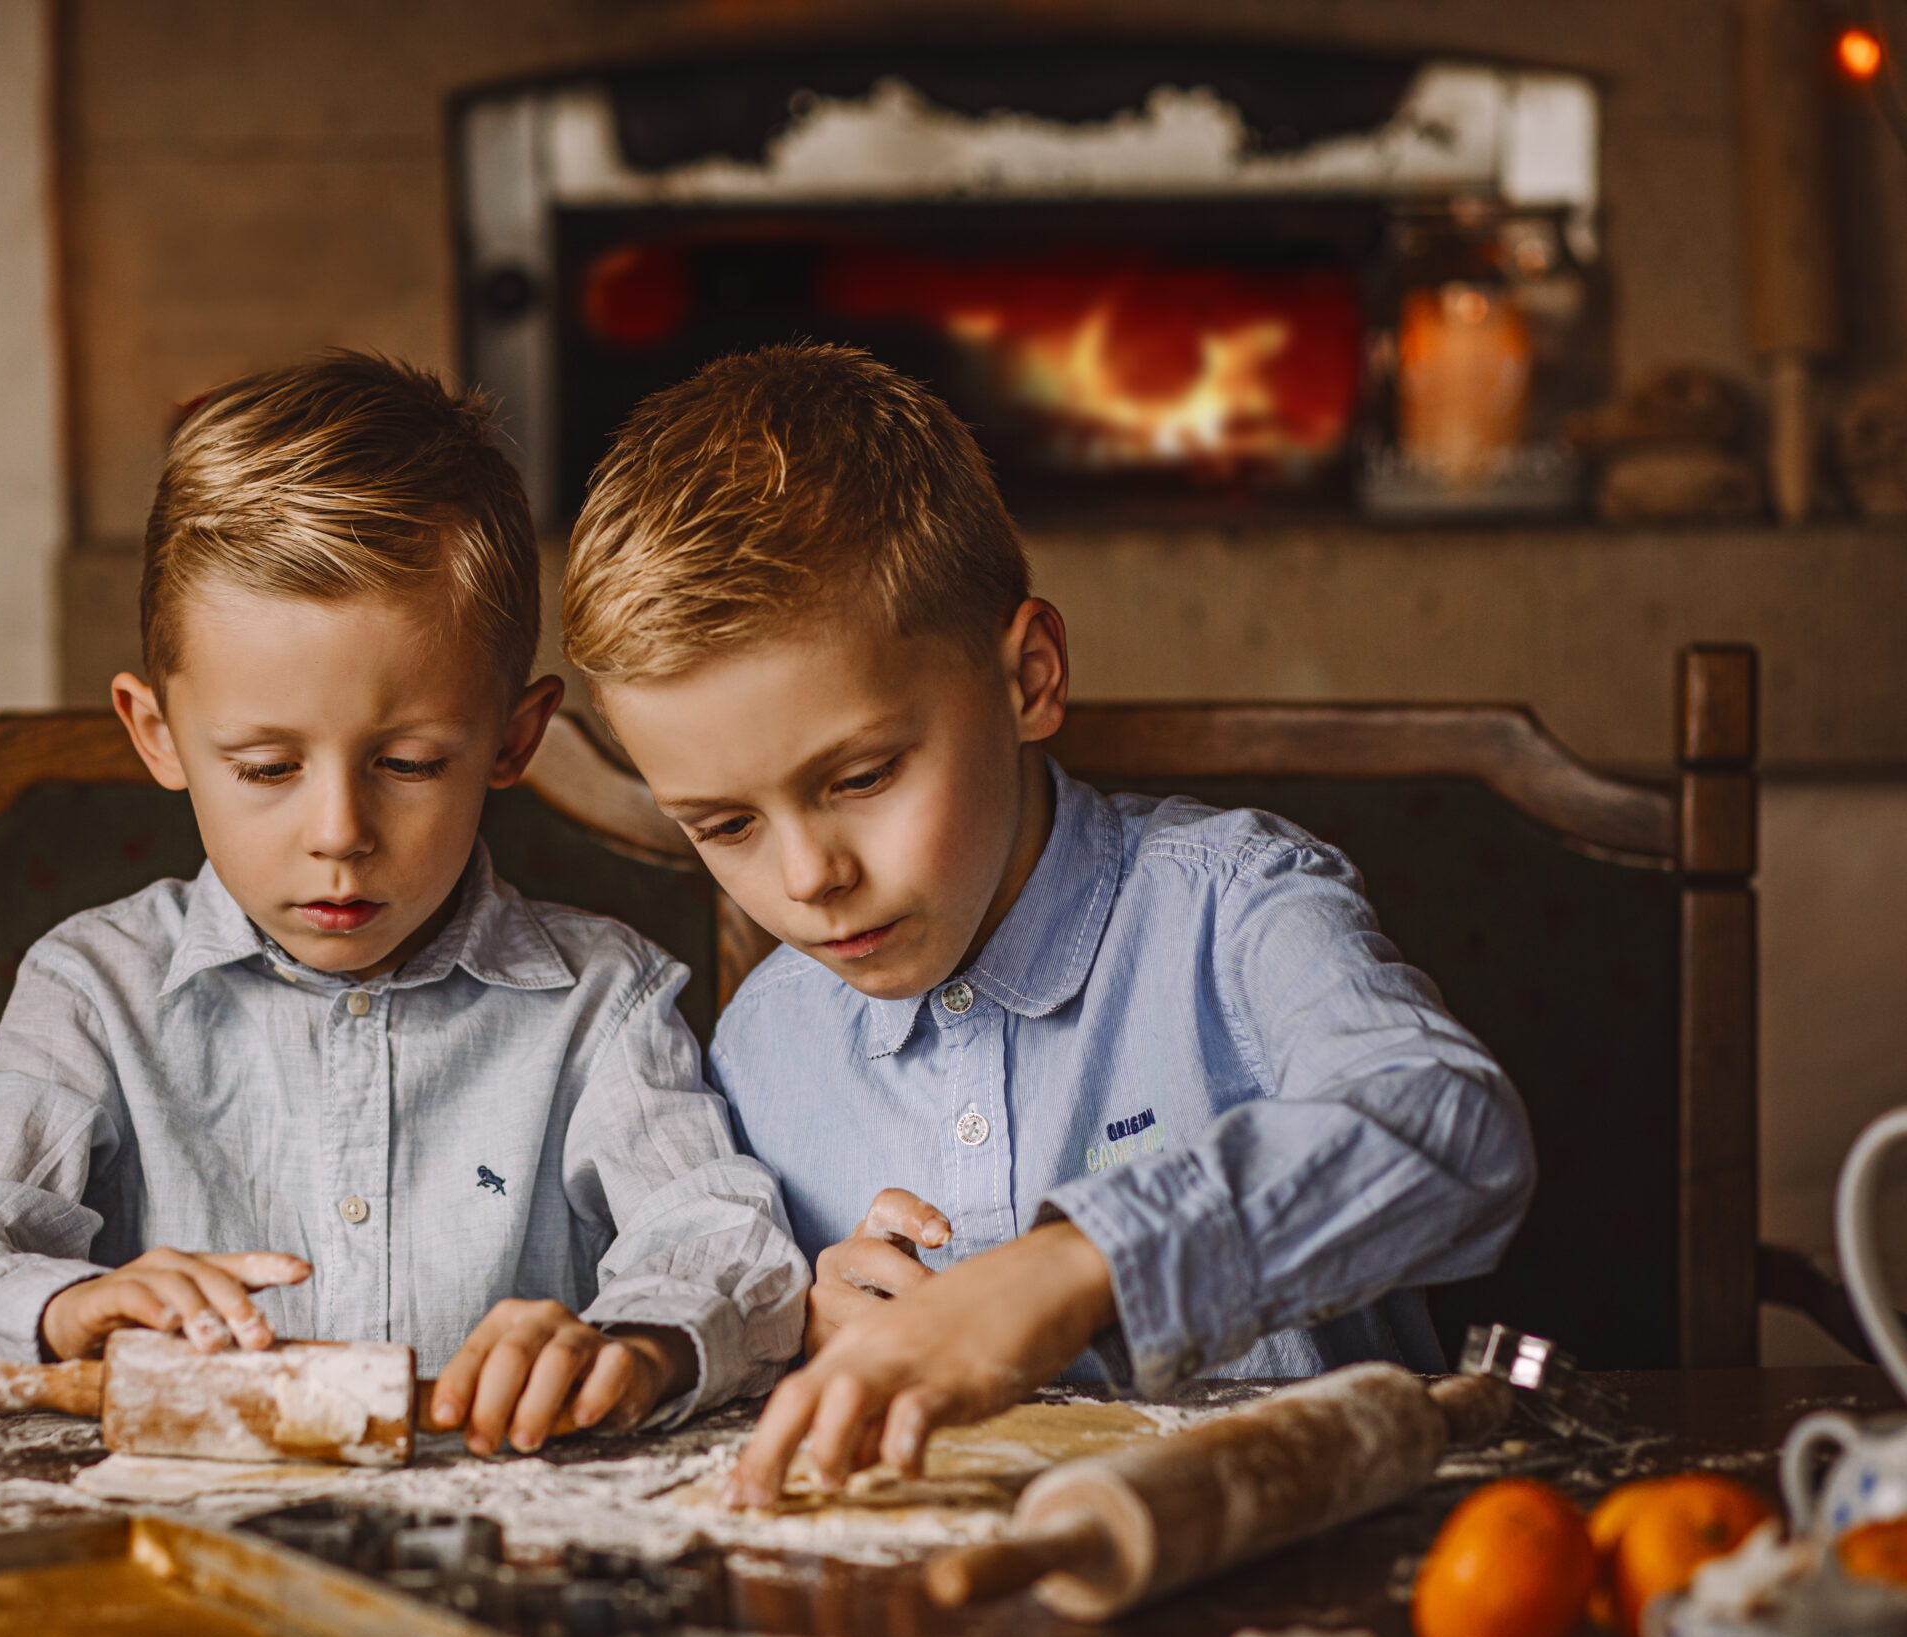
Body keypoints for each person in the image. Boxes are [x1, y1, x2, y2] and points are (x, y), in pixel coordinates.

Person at [560, 343, 1534, 1507]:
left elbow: (1455, 1132)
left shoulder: (1233, 907)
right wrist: (809, 1332)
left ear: (1027, 677)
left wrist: (1084, 1267)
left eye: (863, 777)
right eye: (723, 826)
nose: (807, 878)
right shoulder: (759, 1046)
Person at [0, 351, 808, 1456]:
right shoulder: (94, 988)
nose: (338, 832)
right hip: (179, 1560)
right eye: (265, 768)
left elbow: (723, 1241)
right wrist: (63, 1311)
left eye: (406, 764)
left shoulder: (603, 1003)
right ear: (157, 734)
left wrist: (641, 1348)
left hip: (503, 1555)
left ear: (512, 738)